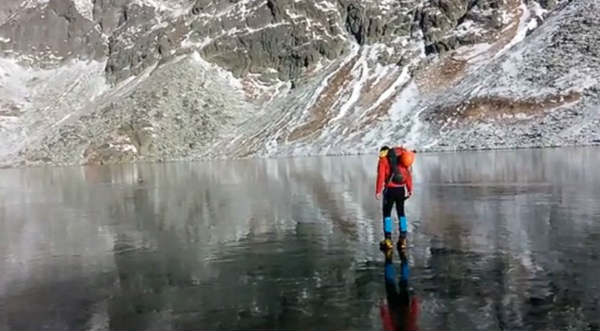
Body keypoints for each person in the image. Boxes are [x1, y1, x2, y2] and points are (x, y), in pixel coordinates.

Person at [376, 146, 414, 252]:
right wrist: (410, 189)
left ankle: (388, 240)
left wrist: (378, 191)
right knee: (401, 212)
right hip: (401, 190)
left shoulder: (383, 160)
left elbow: (381, 176)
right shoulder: (402, 158)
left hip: (390, 190)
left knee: (387, 214)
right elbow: (408, 175)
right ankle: (403, 239)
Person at [380, 252, 419, 331]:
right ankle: (390, 258)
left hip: (401, 307)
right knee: (391, 283)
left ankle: (403, 258)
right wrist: (383, 307)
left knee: (403, 283)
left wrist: (415, 301)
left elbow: (413, 317)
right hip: (394, 307)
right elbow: (387, 322)